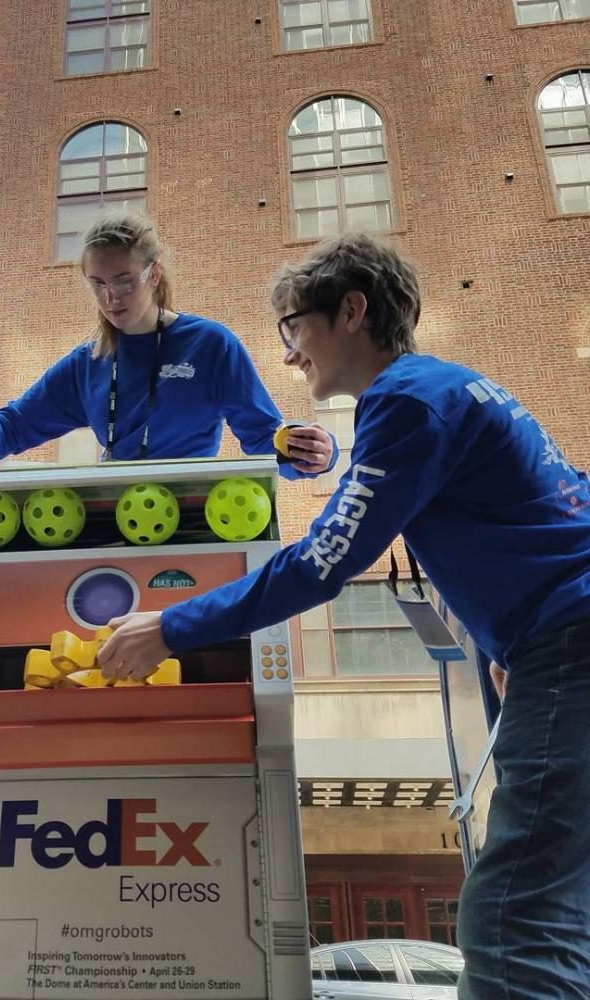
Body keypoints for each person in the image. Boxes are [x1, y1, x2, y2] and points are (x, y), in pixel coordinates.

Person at [97, 233, 590, 999]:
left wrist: (168, 627)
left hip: (570, 648)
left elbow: (325, 558)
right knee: (556, 913)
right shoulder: (457, 388)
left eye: (295, 327)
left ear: (352, 310)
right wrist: (510, 639)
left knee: (511, 921)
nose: (290, 356)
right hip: (555, 645)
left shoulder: (406, 401)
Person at [0, 210, 336, 476]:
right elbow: (15, 422)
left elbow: (265, 436)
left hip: (193, 521)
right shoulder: (89, 362)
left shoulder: (210, 346)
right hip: (115, 519)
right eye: (97, 284)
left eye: (123, 281)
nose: (110, 298)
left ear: (153, 275)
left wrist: (314, 453)